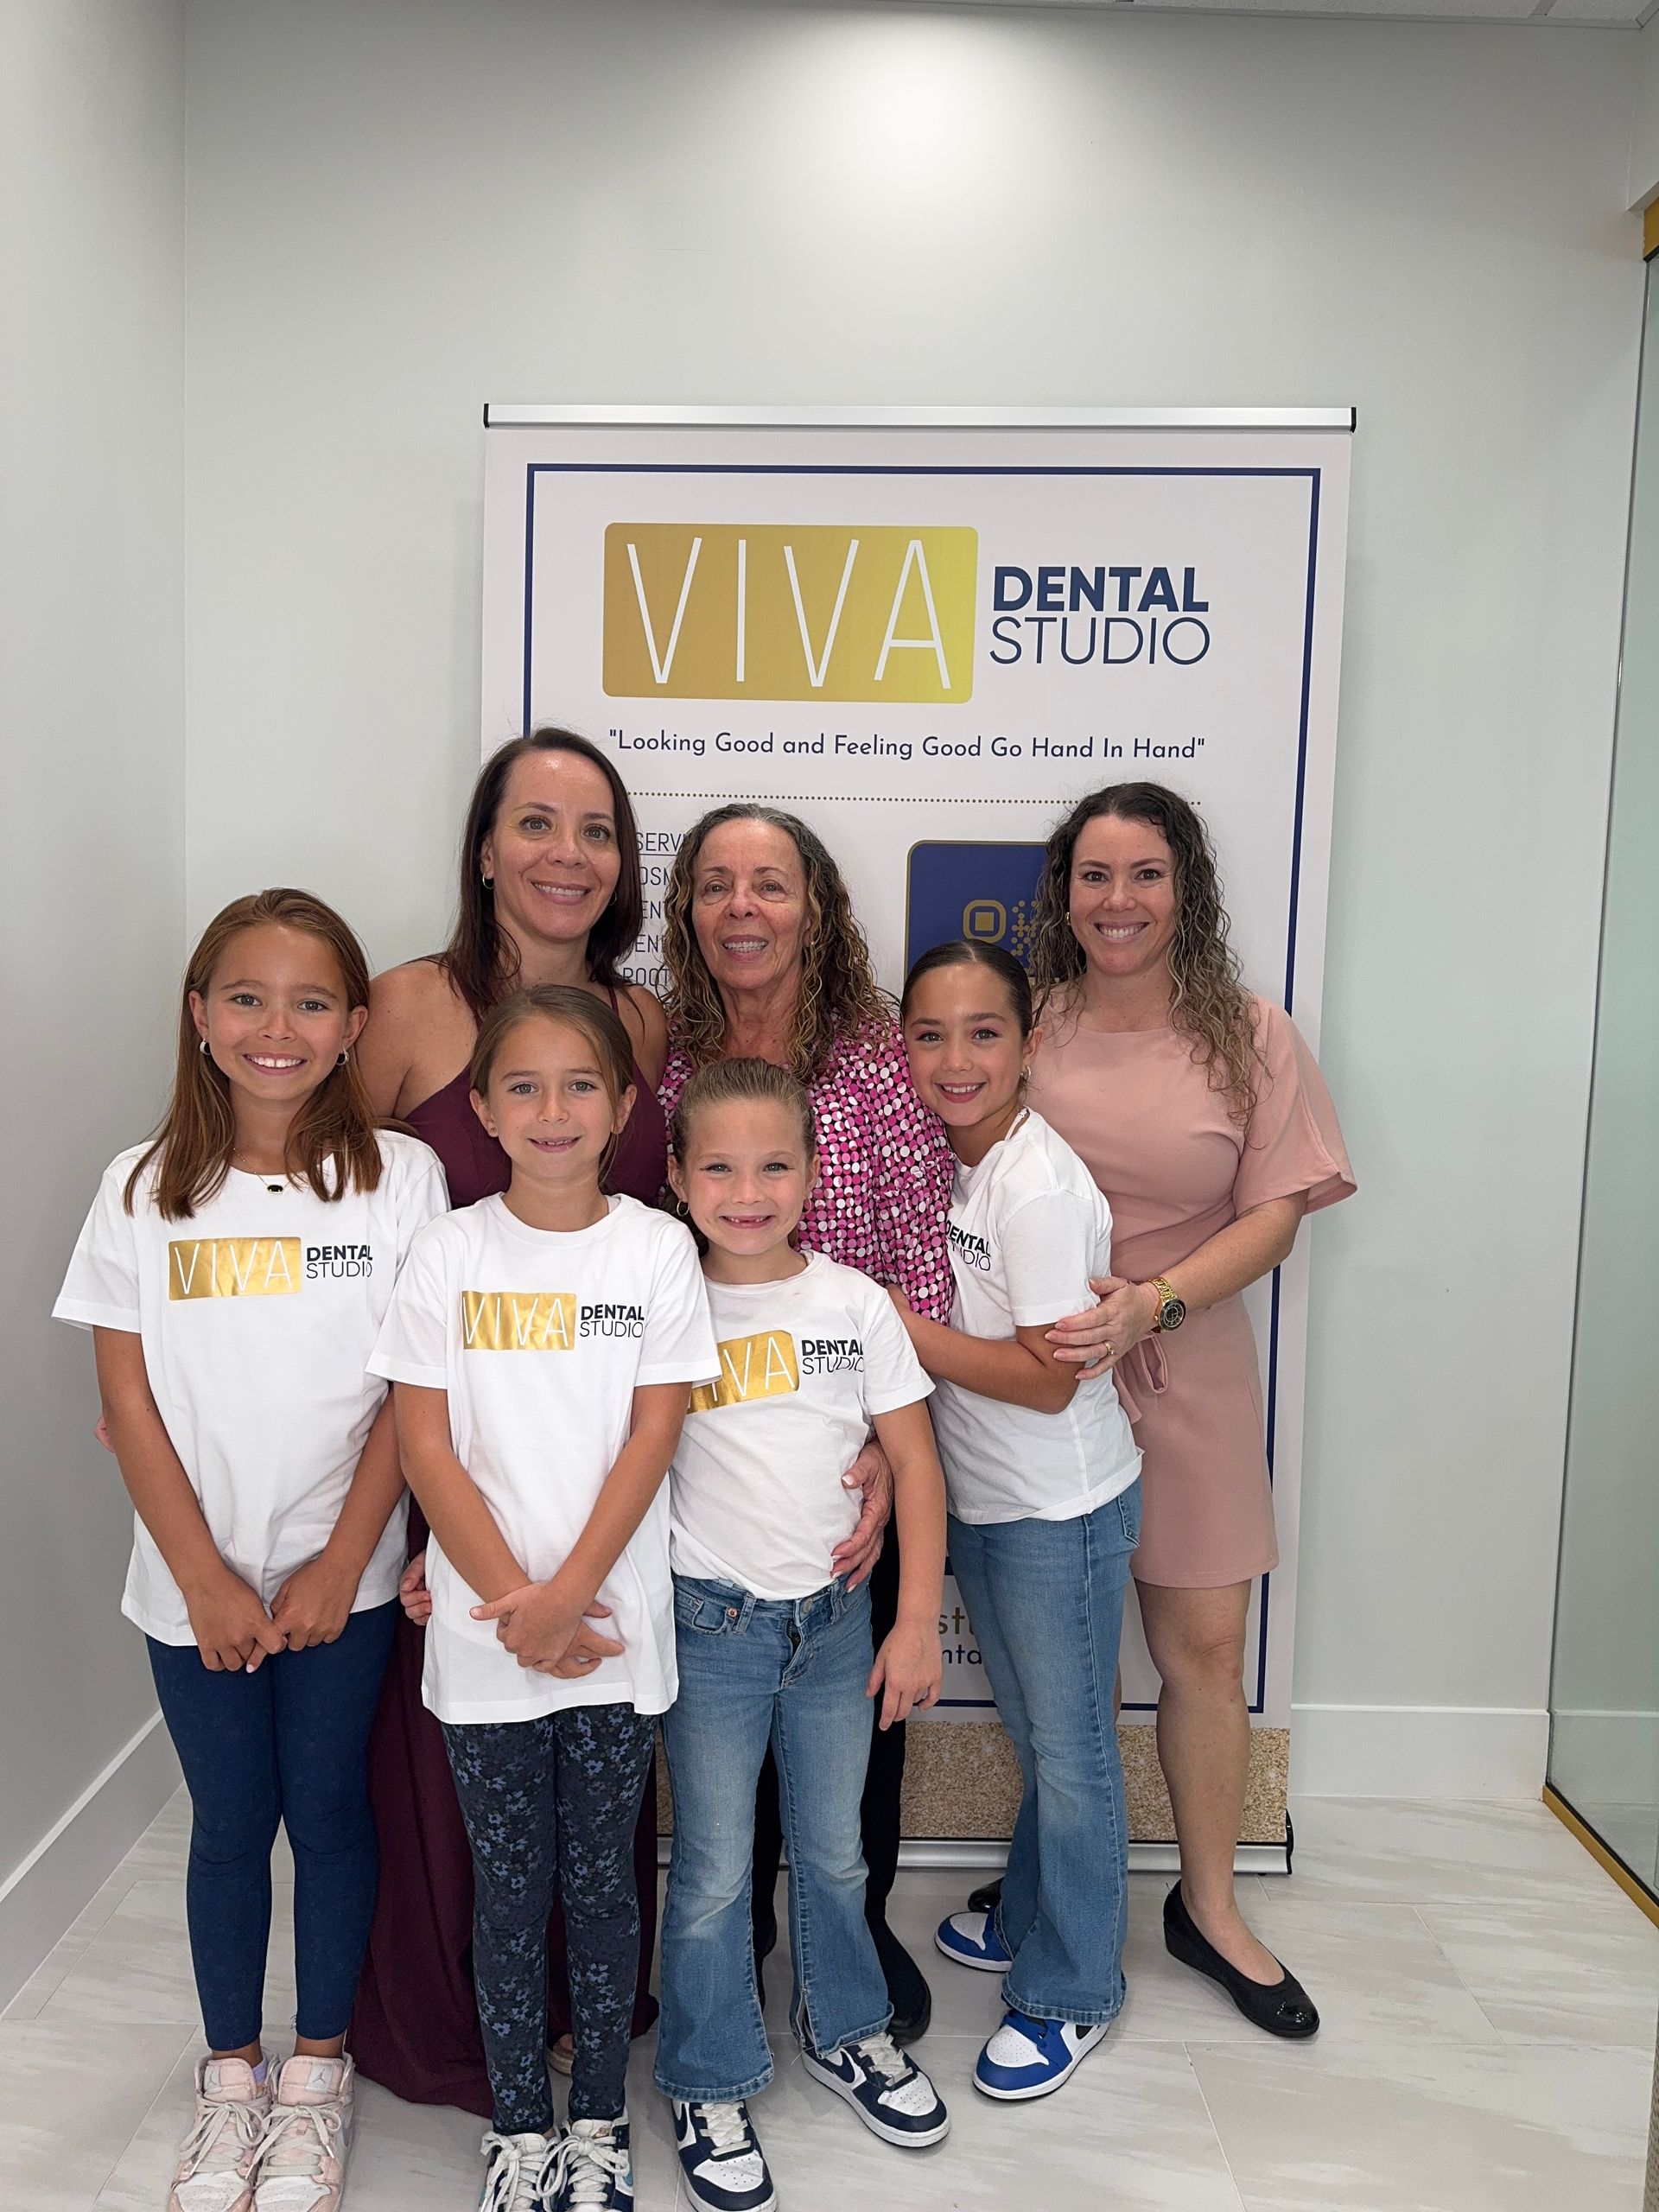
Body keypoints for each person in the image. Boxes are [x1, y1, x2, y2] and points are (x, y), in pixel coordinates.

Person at [53, 888, 448, 2212]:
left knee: (329, 1815)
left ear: (351, 1028)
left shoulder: (403, 1180)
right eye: (246, 996)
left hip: (344, 1579)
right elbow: (128, 1404)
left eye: (311, 1001)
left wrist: (342, 1563)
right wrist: (207, 1579)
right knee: (232, 1825)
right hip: (192, 1587)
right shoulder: (136, 1188)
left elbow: (412, 1393)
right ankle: (233, 2082)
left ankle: (317, 2078)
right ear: (199, 1015)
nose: (276, 1027)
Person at [351, 728, 673, 2107]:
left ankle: (585, 2052)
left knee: (597, 1827)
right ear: (484, 846)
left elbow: (690, 1246)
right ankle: (469, 2052)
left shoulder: (647, 1021)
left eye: (595, 830)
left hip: (603, 1480)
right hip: (452, 1479)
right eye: (535, 824)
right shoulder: (408, 1004)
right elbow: (326, 1209)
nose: (565, 855)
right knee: (458, 1805)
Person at [368, 986, 719, 2212]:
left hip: (613, 1637)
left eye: (582, 1086)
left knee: (604, 1885)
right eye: (524, 1085)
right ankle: (521, 2128)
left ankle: (600, 2122)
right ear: (482, 1109)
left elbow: (653, 1436)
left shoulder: (658, 1248)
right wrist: (521, 1605)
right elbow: (424, 1446)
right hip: (485, 1645)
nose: (554, 1109)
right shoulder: (449, 1251)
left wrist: (570, 1599)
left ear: (625, 1108)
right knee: (508, 1892)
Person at [1022, 781, 1355, 2037]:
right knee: (1053, 1668)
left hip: (1189, 1367)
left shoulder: (1251, 1035)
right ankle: (1064, 1877)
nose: (1119, 901)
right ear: (1063, 892)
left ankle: (1208, 1907)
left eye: (1146, 874)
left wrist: (1148, 1306)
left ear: (1185, 889)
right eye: (1095, 875)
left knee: (1202, 1655)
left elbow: (1276, 1212)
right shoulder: (1024, 1024)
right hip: (1038, 1381)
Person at [658, 804, 954, 2040]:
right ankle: (742, 1949)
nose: (742, 907)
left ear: (815, 906)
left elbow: (916, 1278)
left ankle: (852, 1934)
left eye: (769, 884)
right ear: (687, 914)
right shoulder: (664, 1066)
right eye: (716, 884)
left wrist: (887, 1453)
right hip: (711, 1471)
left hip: (849, 1469)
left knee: (852, 1752)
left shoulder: (879, 1064)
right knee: (726, 1765)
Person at [657, 1058, 950, 2210]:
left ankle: (846, 2030)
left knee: (836, 1853)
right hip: (712, 1633)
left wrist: (915, 1619)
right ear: (677, 1177)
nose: (747, 1189)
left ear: (815, 1175)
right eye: (718, 1165)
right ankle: (708, 2071)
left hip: (835, 1632)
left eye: (775, 1163)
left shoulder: (853, 1303)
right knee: (718, 1871)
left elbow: (915, 1461)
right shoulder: (664, 1297)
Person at [891, 941, 1143, 2102]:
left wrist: (882, 1320)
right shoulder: (943, 1163)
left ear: (1029, 1044)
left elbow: (1048, 1378)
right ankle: (1037, 1909)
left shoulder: (1033, 1182)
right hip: (989, 1500)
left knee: (1073, 1749)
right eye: (930, 1034)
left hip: (1061, 1506)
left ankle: (1076, 1986)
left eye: (983, 1033)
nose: (956, 1059)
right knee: (1048, 1738)